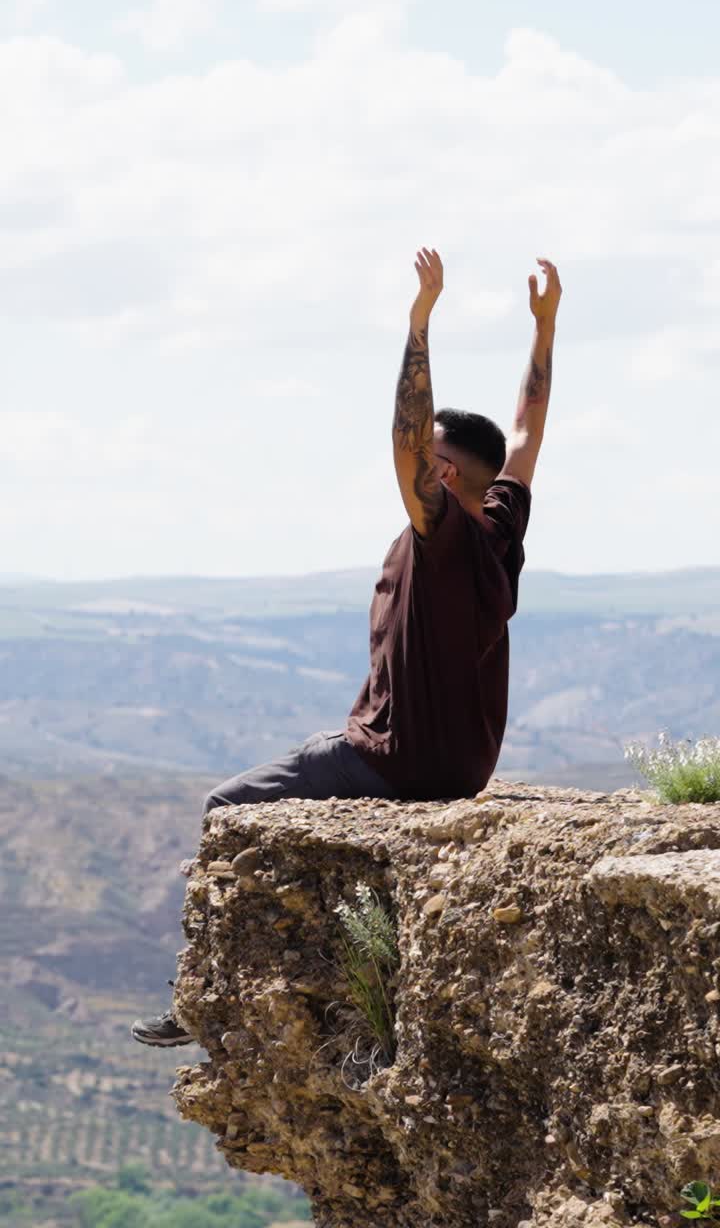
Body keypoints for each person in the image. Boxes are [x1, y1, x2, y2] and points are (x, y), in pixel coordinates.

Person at [131, 247, 562, 1047]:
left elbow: (408, 432)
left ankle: (200, 998)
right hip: (464, 768)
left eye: (425, 461)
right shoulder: (501, 521)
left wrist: (419, 321)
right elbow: (528, 431)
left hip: (392, 758)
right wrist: (545, 327)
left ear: (438, 471)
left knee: (225, 806)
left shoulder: (444, 532)